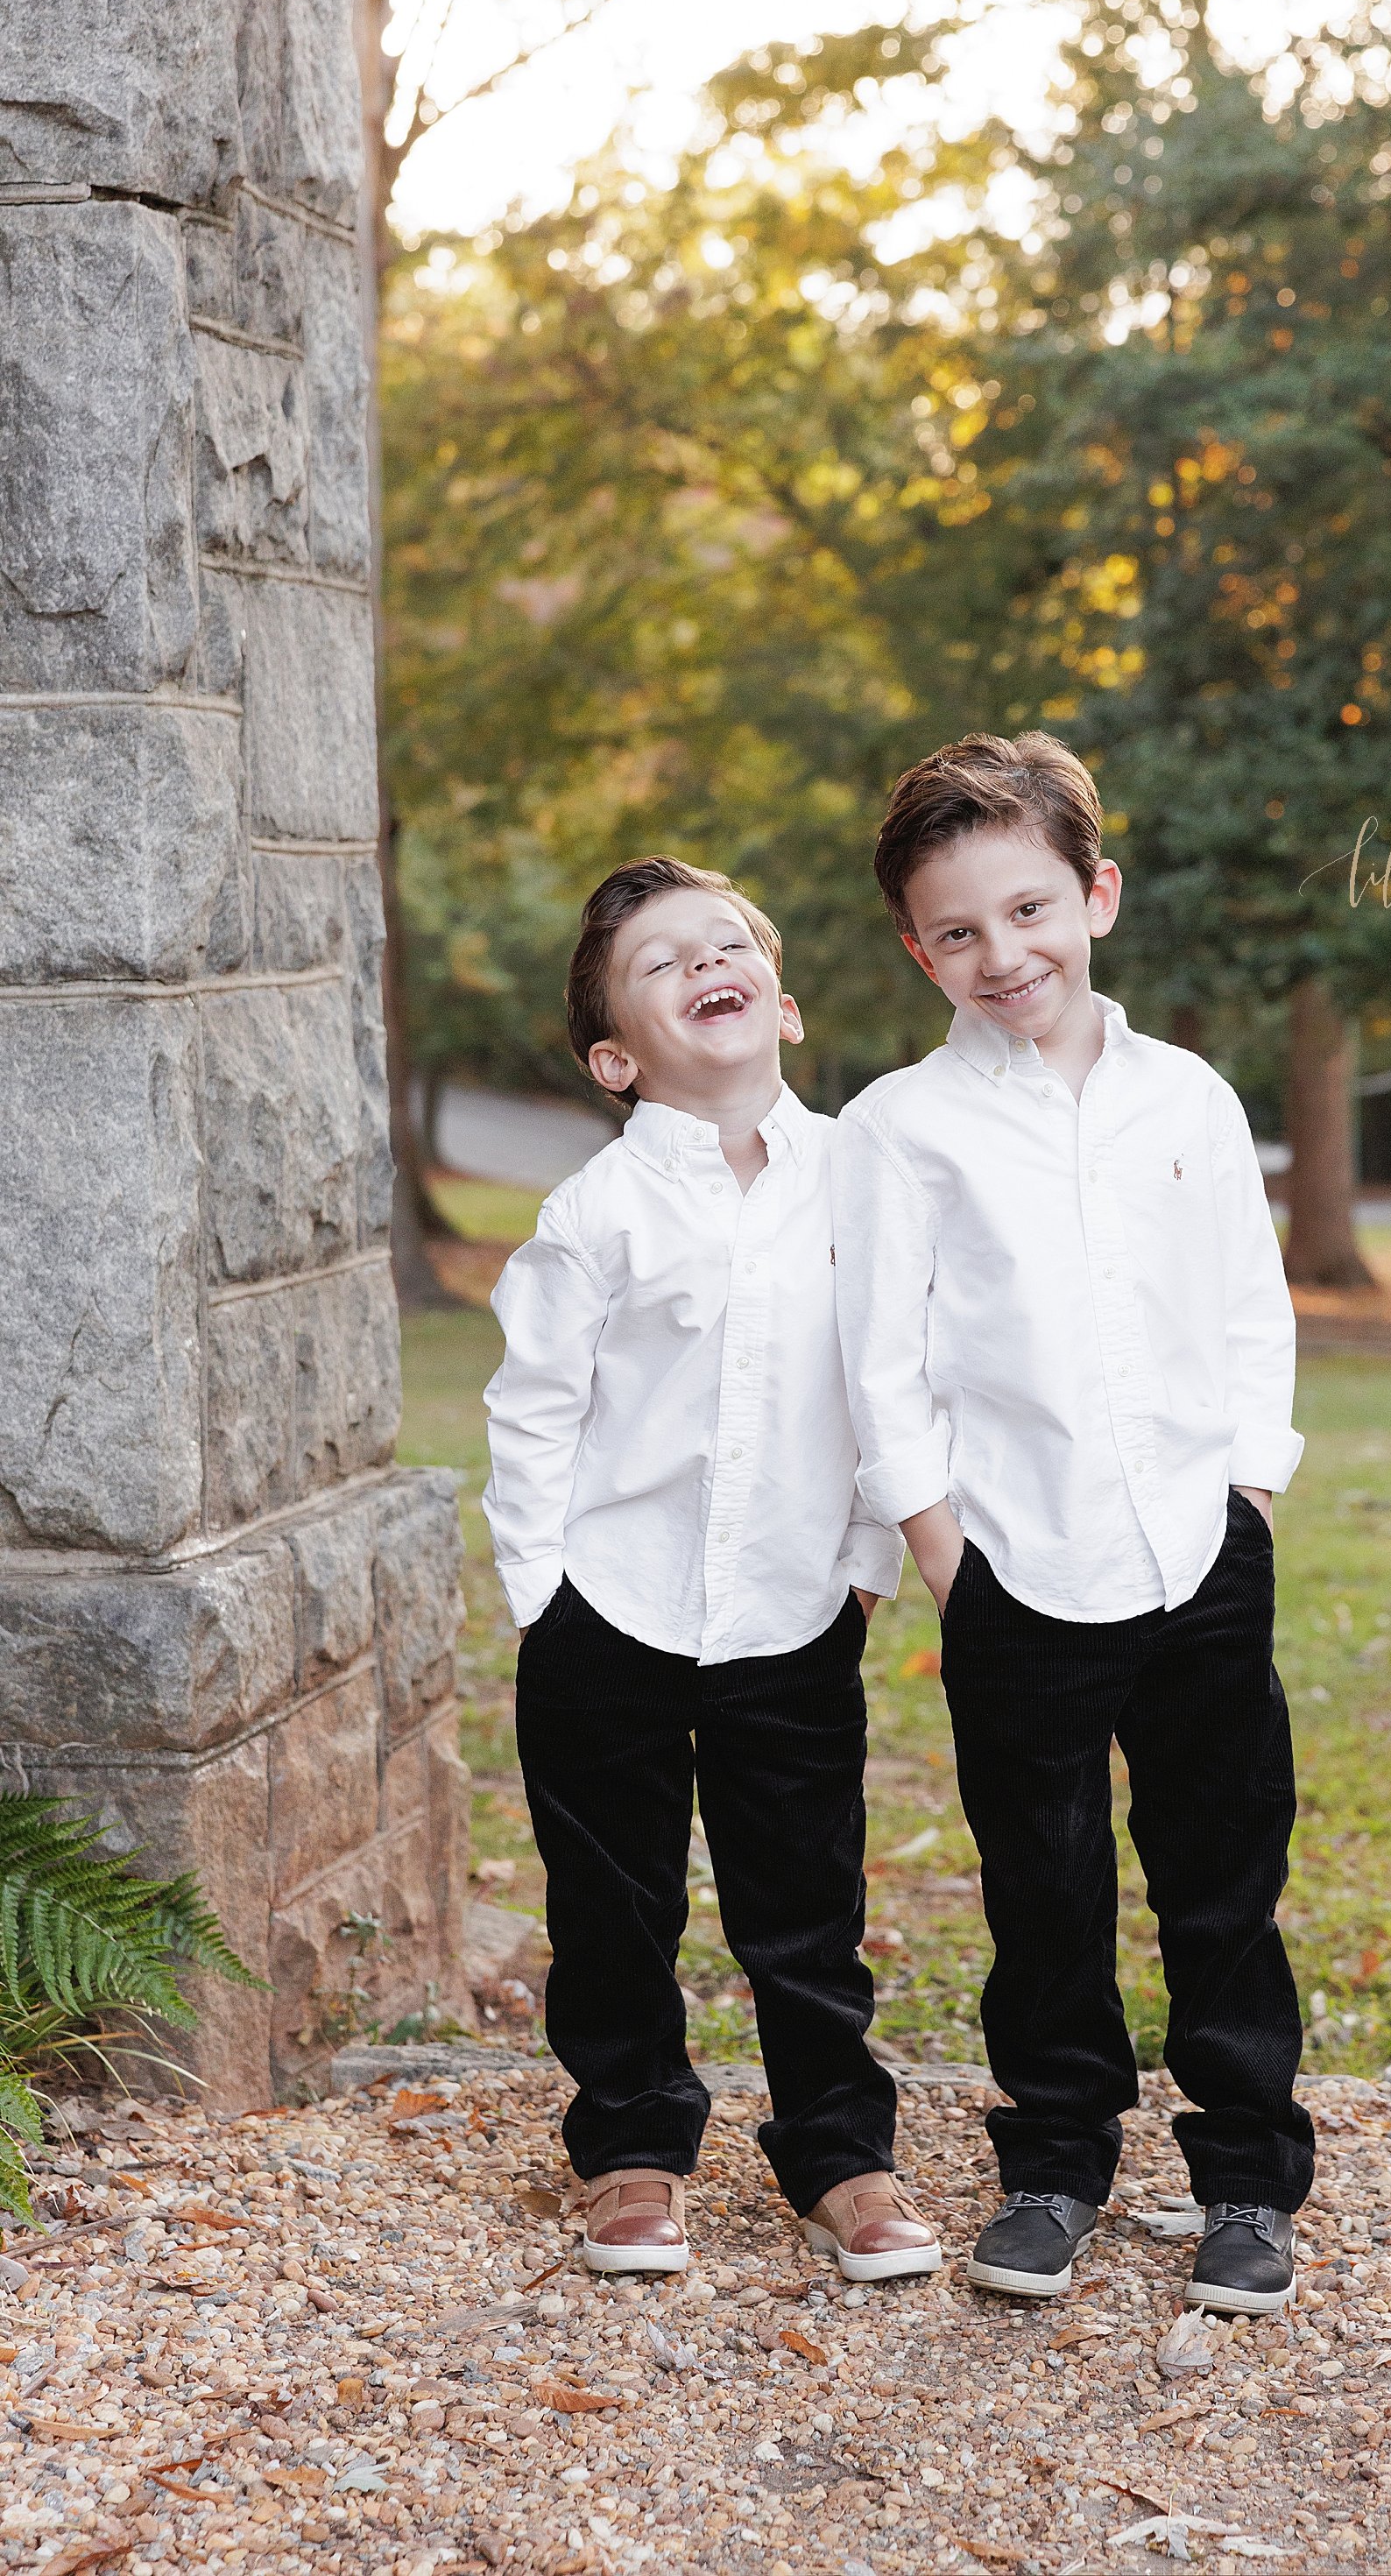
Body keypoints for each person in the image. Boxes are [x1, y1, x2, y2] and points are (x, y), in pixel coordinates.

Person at [831, 734, 1313, 2311]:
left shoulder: (1189, 1095)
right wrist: (937, 1545)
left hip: (1197, 1547)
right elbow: (881, 1356)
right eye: (958, 931)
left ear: (1096, 893)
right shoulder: (904, 1127)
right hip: (1016, 1564)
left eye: (1030, 909)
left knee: (1222, 1875)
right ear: (918, 947)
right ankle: (1055, 2159)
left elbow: (1250, 1303)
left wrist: (1249, 1488)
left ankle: (1245, 2171)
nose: (1002, 954)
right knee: (1041, 1882)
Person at [483, 855, 940, 2285]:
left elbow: (891, 1382)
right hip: (608, 1606)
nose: (703, 965)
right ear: (617, 1054)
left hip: (794, 1605)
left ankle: (842, 2155)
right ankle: (631, 2148)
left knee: (803, 1901)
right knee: (611, 1902)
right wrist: (539, 1590)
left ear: (784, 1004)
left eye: (726, 943)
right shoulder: (597, 1210)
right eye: (662, 962)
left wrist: (865, 1564)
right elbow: (535, 1403)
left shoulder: (862, 1185)